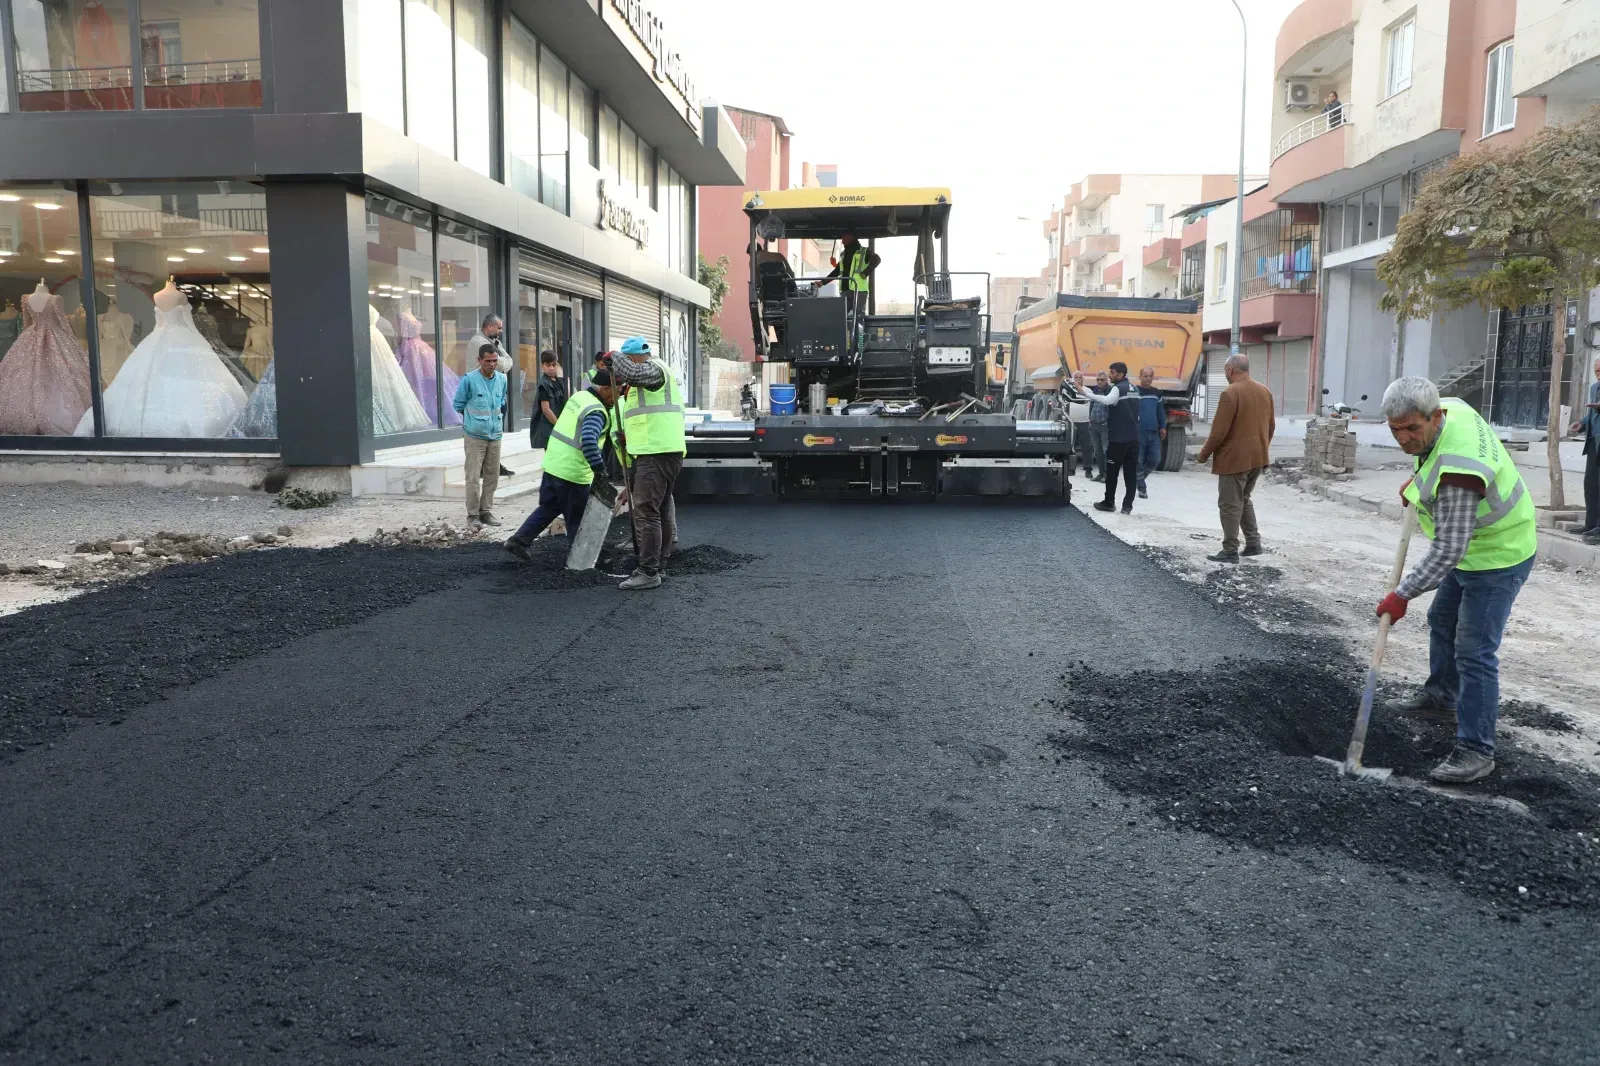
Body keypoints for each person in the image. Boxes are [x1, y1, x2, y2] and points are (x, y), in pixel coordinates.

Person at [1379, 377, 1538, 785]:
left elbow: (1448, 550)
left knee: (1474, 651)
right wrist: (1418, 484)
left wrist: (1401, 594)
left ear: (1436, 418)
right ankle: (1441, 698)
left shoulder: (1460, 473)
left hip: (1498, 555)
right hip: (1473, 551)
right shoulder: (1452, 408)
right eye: (1396, 430)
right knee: (1443, 620)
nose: (1404, 439)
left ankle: (1477, 749)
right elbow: (1432, 463)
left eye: (1413, 429)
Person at [503, 368, 617, 559]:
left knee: (550, 507)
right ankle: (580, 560)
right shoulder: (596, 411)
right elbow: (588, 441)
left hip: (553, 464)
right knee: (577, 519)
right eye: (618, 391)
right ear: (606, 389)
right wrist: (600, 471)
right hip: (572, 472)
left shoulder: (580, 397)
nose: (619, 396)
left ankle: (519, 540)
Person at [612, 336, 686, 590]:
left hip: (657, 452)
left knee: (646, 511)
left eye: (627, 359)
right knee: (660, 509)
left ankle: (648, 571)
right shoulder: (644, 381)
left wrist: (614, 357)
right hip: (657, 451)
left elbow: (631, 371)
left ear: (634, 357)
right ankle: (659, 564)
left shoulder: (654, 369)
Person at [1195, 353, 1274, 562]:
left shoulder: (1230, 393)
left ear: (1230, 371)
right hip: (1258, 457)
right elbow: (1271, 425)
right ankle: (1253, 543)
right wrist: (1263, 449)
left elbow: (1218, 432)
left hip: (1235, 459)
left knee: (1230, 503)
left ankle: (1230, 550)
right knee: (1243, 499)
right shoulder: (1264, 390)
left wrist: (1203, 454)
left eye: (1225, 371)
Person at [452, 343, 508, 529]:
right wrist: (473, 421)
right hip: (474, 435)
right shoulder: (469, 380)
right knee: (473, 477)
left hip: (495, 434)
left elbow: (501, 401)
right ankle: (473, 515)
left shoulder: (502, 379)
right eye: (487, 361)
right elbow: (458, 404)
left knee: (493, 475)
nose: (491, 364)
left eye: (494, 361)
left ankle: (486, 511)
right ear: (479, 361)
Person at [1086, 362, 1139, 514]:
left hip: (1118, 439)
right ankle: (1127, 507)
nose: (1110, 375)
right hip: (1134, 439)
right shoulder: (1135, 389)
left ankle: (1109, 503)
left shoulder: (1118, 388)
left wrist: (1087, 394)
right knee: (1130, 474)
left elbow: (1107, 400)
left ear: (1120, 374)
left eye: (1112, 372)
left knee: (1112, 472)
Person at [466, 314, 515, 476]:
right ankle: (484, 466)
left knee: (494, 432)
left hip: (495, 394)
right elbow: (503, 363)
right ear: (489, 327)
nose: (501, 331)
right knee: (483, 432)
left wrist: (504, 359)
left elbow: (508, 361)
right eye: (499, 327)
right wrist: (503, 361)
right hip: (481, 396)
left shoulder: (494, 343)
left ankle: (492, 464)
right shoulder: (479, 342)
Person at [1569, 354, 1600, 544]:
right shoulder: (1594, 387)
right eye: (1597, 371)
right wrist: (1581, 423)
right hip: (1593, 442)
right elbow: (1590, 413)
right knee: (1590, 485)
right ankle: (1590, 523)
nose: (1599, 375)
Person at [820, 229, 880, 319]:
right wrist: (822, 282)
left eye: (844, 236)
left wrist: (865, 273)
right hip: (845, 290)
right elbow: (837, 271)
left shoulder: (863, 251)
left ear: (851, 237)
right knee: (842, 317)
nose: (842, 239)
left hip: (859, 290)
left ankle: (858, 333)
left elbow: (876, 259)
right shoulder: (844, 254)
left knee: (858, 316)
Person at [1134, 366, 1168, 499]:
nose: (1148, 378)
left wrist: (1163, 426)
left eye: (1150, 376)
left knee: (1155, 460)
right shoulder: (1135, 391)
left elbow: (1160, 412)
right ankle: (1142, 487)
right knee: (1139, 460)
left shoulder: (1156, 393)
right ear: (1140, 376)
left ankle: (1139, 479)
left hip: (1153, 432)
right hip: (1139, 431)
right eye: (1145, 376)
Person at [531, 349, 567, 449]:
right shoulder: (543, 384)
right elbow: (546, 410)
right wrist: (559, 426)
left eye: (554, 365)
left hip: (560, 424)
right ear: (542, 366)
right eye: (548, 365)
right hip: (550, 428)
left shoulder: (560, 381)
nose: (551, 368)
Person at [1087, 371, 1111, 482]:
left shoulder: (1110, 391)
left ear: (1106, 380)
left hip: (1104, 426)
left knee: (1106, 451)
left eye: (1102, 379)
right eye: (1098, 379)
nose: (1099, 382)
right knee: (1097, 451)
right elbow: (1091, 405)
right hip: (1094, 425)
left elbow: (1112, 407)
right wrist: (1090, 419)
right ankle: (1101, 473)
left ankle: (1107, 475)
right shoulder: (1095, 390)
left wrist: (1108, 421)